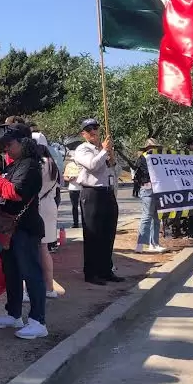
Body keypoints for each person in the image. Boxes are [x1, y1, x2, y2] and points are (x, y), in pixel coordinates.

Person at [0, 124, 49, 340]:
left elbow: (14, 192)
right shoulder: (14, 165)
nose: (6, 150)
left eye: (9, 145)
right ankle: (13, 314)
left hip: (25, 228)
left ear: (24, 142)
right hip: (9, 229)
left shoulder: (30, 165)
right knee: (11, 273)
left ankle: (38, 320)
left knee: (31, 274)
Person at [74, 119, 122, 286]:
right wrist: (104, 151)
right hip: (92, 193)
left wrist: (112, 157)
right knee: (93, 234)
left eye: (95, 128)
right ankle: (91, 273)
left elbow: (116, 171)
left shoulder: (104, 149)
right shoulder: (82, 149)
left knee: (108, 233)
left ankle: (106, 270)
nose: (93, 131)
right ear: (84, 134)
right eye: (89, 129)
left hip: (108, 192)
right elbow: (92, 165)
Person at [36, 144, 63, 298]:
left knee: (34, 249)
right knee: (45, 249)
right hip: (50, 205)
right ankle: (50, 287)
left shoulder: (38, 165)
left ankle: (32, 288)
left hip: (38, 206)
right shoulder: (53, 165)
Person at [134, 138, 167, 253]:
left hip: (157, 190)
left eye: (155, 148)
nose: (154, 149)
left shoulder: (157, 159)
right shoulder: (143, 159)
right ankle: (140, 244)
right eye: (152, 147)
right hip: (148, 190)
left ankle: (154, 243)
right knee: (147, 216)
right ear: (147, 148)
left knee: (156, 218)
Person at [63, 156, 82, 228]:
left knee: (84, 206)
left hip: (82, 187)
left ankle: (85, 222)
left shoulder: (82, 165)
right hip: (72, 188)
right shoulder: (69, 165)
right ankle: (75, 223)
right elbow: (65, 176)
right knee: (74, 206)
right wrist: (69, 179)